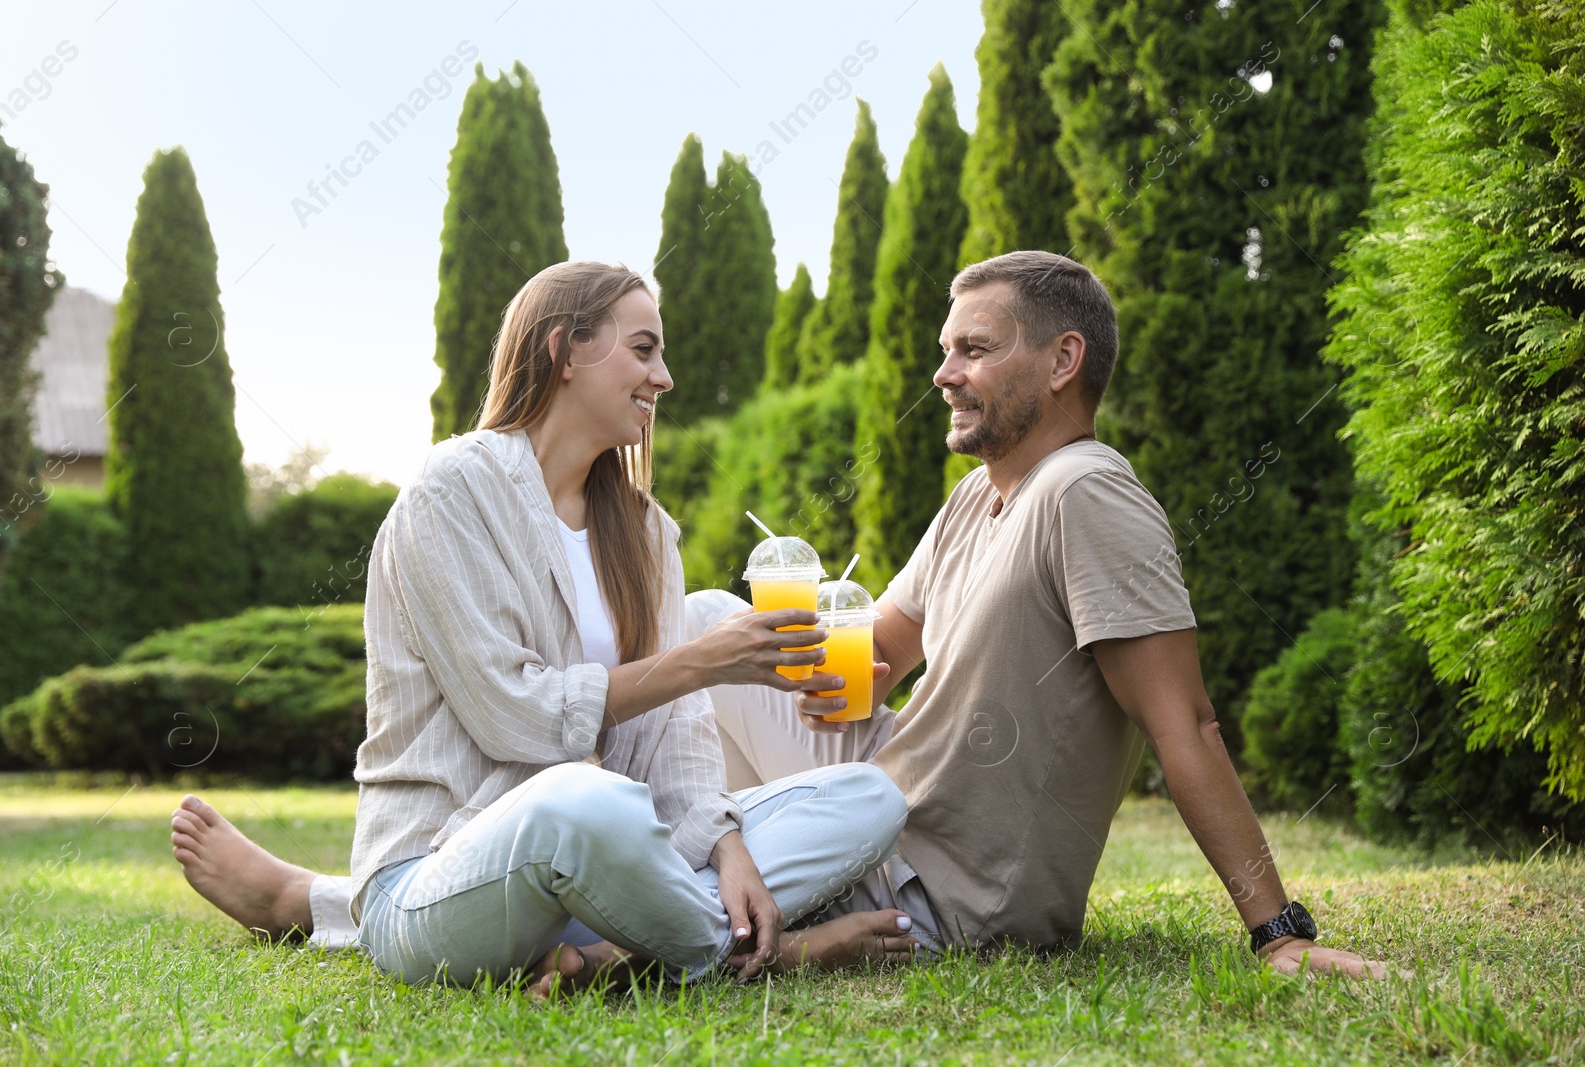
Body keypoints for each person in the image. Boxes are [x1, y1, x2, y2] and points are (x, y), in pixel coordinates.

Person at [176, 251, 1394, 980]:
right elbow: (883, 652)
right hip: (874, 802)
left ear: (1063, 359)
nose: (943, 370)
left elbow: (1186, 722)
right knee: (703, 626)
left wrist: (1275, 927)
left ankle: (365, 912)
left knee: (660, 735)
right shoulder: (984, 495)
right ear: (562, 353)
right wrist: (763, 657)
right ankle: (417, 906)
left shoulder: (1090, 492)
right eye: (942, 346)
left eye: (973, 349)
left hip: (942, 877)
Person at [173, 260, 918, 990]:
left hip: (607, 869)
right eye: (643, 349)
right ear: (565, 349)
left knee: (868, 798)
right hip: (443, 868)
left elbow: (680, 740)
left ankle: (612, 955)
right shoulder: (452, 491)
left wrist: (728, 849)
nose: (664, 379)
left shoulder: (648, 532)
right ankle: (772, 953)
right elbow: (514, 717)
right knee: (585, 800)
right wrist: (701, 660)